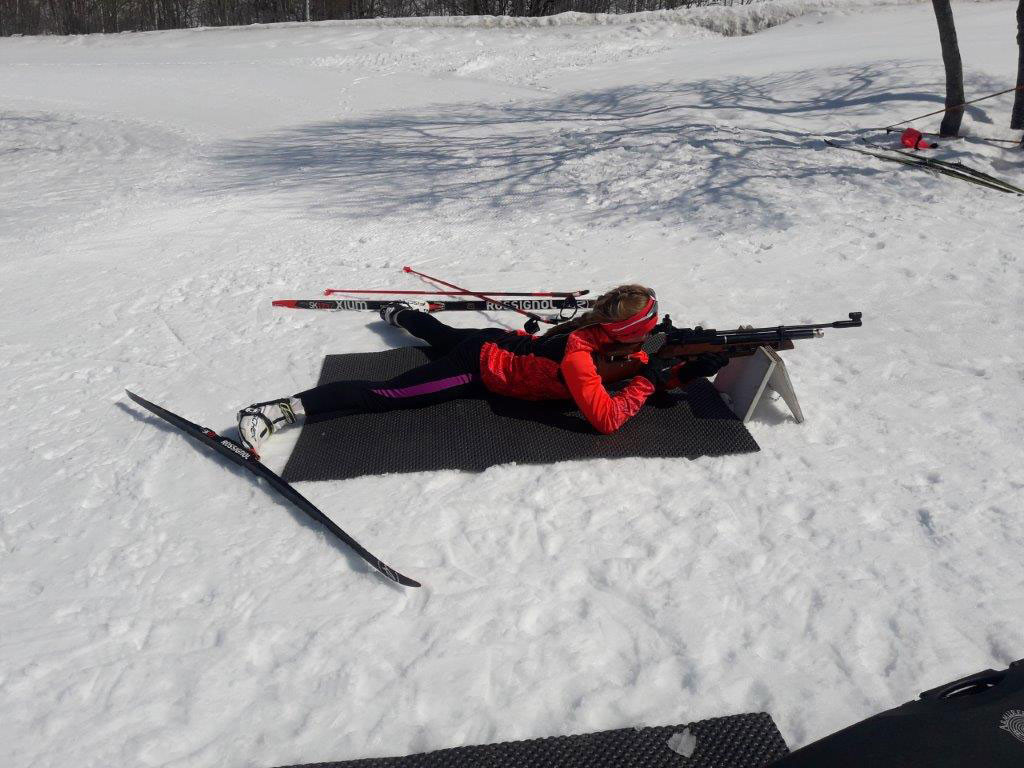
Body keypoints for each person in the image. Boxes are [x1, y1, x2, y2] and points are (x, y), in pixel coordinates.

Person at [237, 284, 728, 453]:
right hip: (482, 368)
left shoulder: (626, 348)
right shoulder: (580, 356)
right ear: (626, 333)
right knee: (389, 394)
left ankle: (398, 313)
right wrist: (651, 379)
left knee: (442, 334)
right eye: (647, 330)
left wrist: (684, 373)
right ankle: (281, 408)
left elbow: (647, 378)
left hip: (498, 341)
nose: (652, 339)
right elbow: (606, 420)